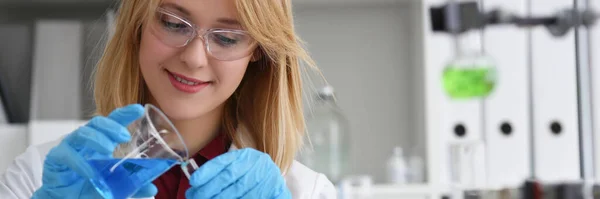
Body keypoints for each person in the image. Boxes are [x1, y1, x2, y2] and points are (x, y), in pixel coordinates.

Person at [0, 0, 337, 198]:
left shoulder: (306, 191)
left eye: (227, 37)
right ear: (138, 24)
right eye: (174, 23)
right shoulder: (39, 176)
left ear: (258, 53)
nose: (193, 58)